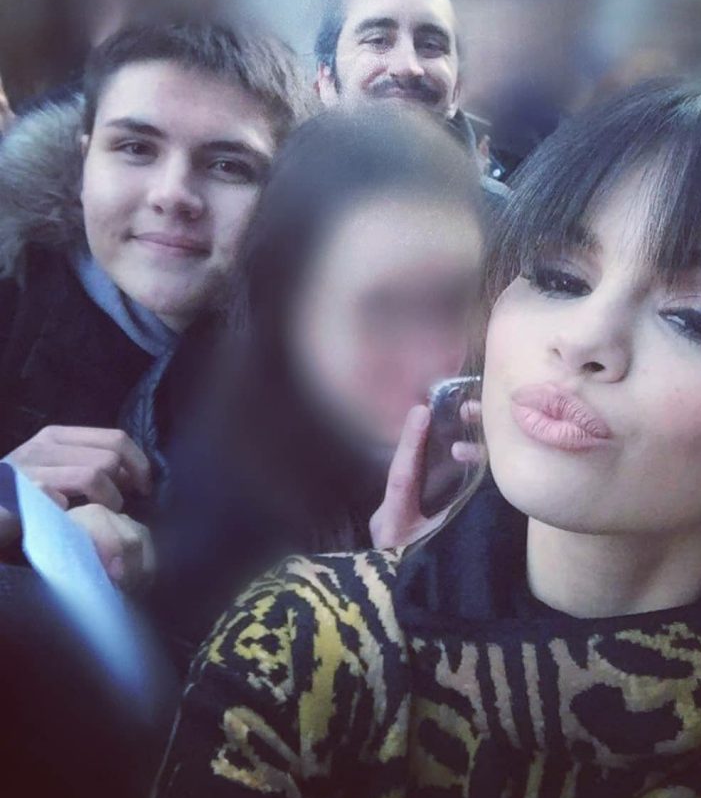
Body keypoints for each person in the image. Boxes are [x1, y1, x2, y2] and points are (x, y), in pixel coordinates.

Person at [152, 67, 701, 798]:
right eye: (560, 277)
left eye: (698, 316)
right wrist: (401, 601)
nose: (581, 339)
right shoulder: (302, 639)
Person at [132, 105, 484, 671]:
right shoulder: (209, 525)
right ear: (284, 311)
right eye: (383, 310)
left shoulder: (505, 464)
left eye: (454, 301)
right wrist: (388, 591)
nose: (433, 358)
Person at [0, 20, 315, 582]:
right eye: (136, 148)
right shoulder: (11, 299)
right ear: (83, 164)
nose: (173, 195)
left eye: (228, 165)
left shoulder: (317, 379)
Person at [314, 0, 509, 202]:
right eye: (378, 40)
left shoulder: (507, 218)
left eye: (430, 45)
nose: (408, 67)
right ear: (326, 80)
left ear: (456, 90)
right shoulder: (272, 204)